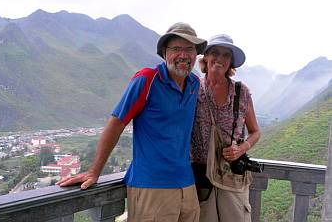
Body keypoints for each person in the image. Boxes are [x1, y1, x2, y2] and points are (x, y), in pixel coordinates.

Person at [57, 22, 207, 222]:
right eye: (176, 49)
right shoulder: (146, 80)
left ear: (196, 54)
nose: (183, 55)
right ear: (164, 53)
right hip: (152, 186)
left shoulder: (194, 84)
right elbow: (116, 124)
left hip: (186, 184)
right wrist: (94, 171)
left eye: (189, 49)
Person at [191, 34, 260, 222]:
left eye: (226, 55)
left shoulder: (241, 92)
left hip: (231, 174)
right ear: (205, 57)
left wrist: (241, 148)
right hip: (200, 176)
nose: (220, 59)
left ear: (231, 62)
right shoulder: (193, 88)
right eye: (215, 52)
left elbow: (255, 132)